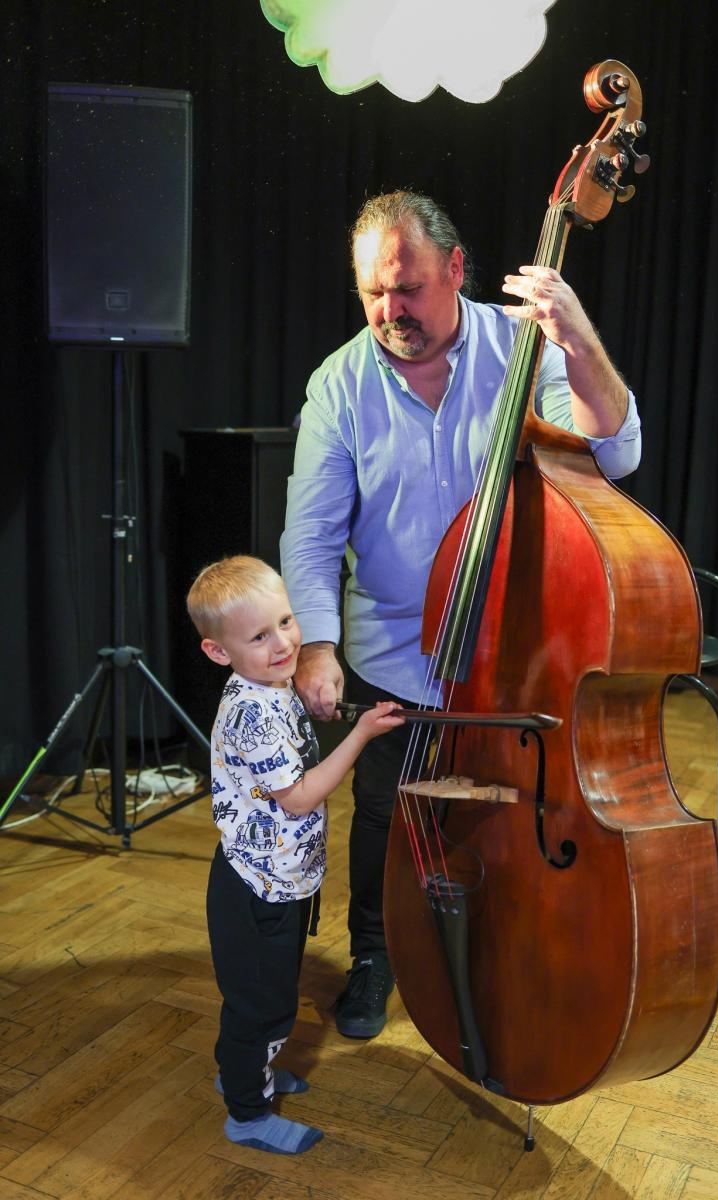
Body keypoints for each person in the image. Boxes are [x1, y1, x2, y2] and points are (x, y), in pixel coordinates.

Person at [280, 189, 643, 1039]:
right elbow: (313, 530)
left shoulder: (525, 346)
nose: (390, 310)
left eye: (407, 288)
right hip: (396, 648)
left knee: (513, 813)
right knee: (386, 811)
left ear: (455, 269)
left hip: (517, 653)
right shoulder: (339, 383)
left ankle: (513, 945)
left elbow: (615, 452)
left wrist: (578, 340)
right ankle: (375, 956)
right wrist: (318, 644)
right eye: (373, 292)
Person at [186, 555, 404, 1155]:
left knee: (268, 999)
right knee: (262, 1008)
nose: (283, 643)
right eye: (259, 637)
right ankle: (247, 1113)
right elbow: (301, 796)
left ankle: (247, 1072)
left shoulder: (270, 685)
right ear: (219, 652)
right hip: (257, 888)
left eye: (285, 621)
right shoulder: (250, 712)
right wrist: (361, 735)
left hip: (282, 878)